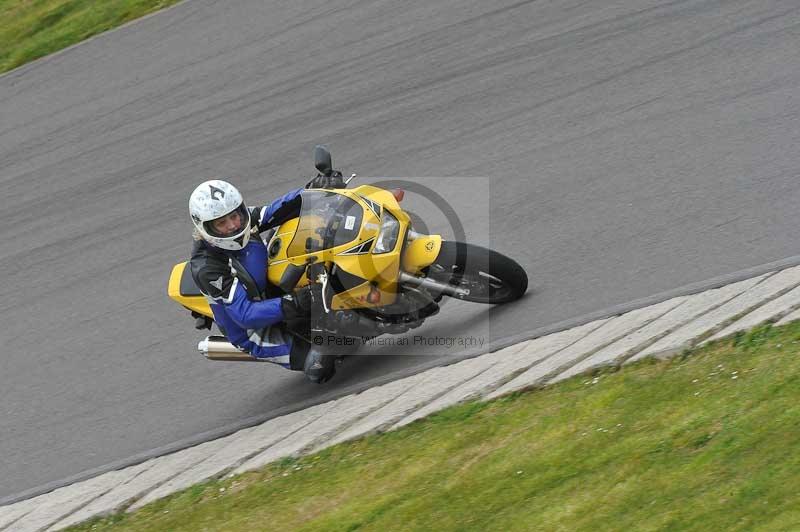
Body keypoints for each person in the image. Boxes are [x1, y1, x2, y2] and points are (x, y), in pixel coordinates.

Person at [188, 179, 335, 383]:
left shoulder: (244, 220)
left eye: (234, 216)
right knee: (321, 364)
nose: (232, 226)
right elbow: (245, 315)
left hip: (271, 289)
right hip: (254, 330)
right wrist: (297, 301)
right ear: (206, 227)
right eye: (221, 223)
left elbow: (277, 209)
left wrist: (315, 190)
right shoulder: (208, 268)